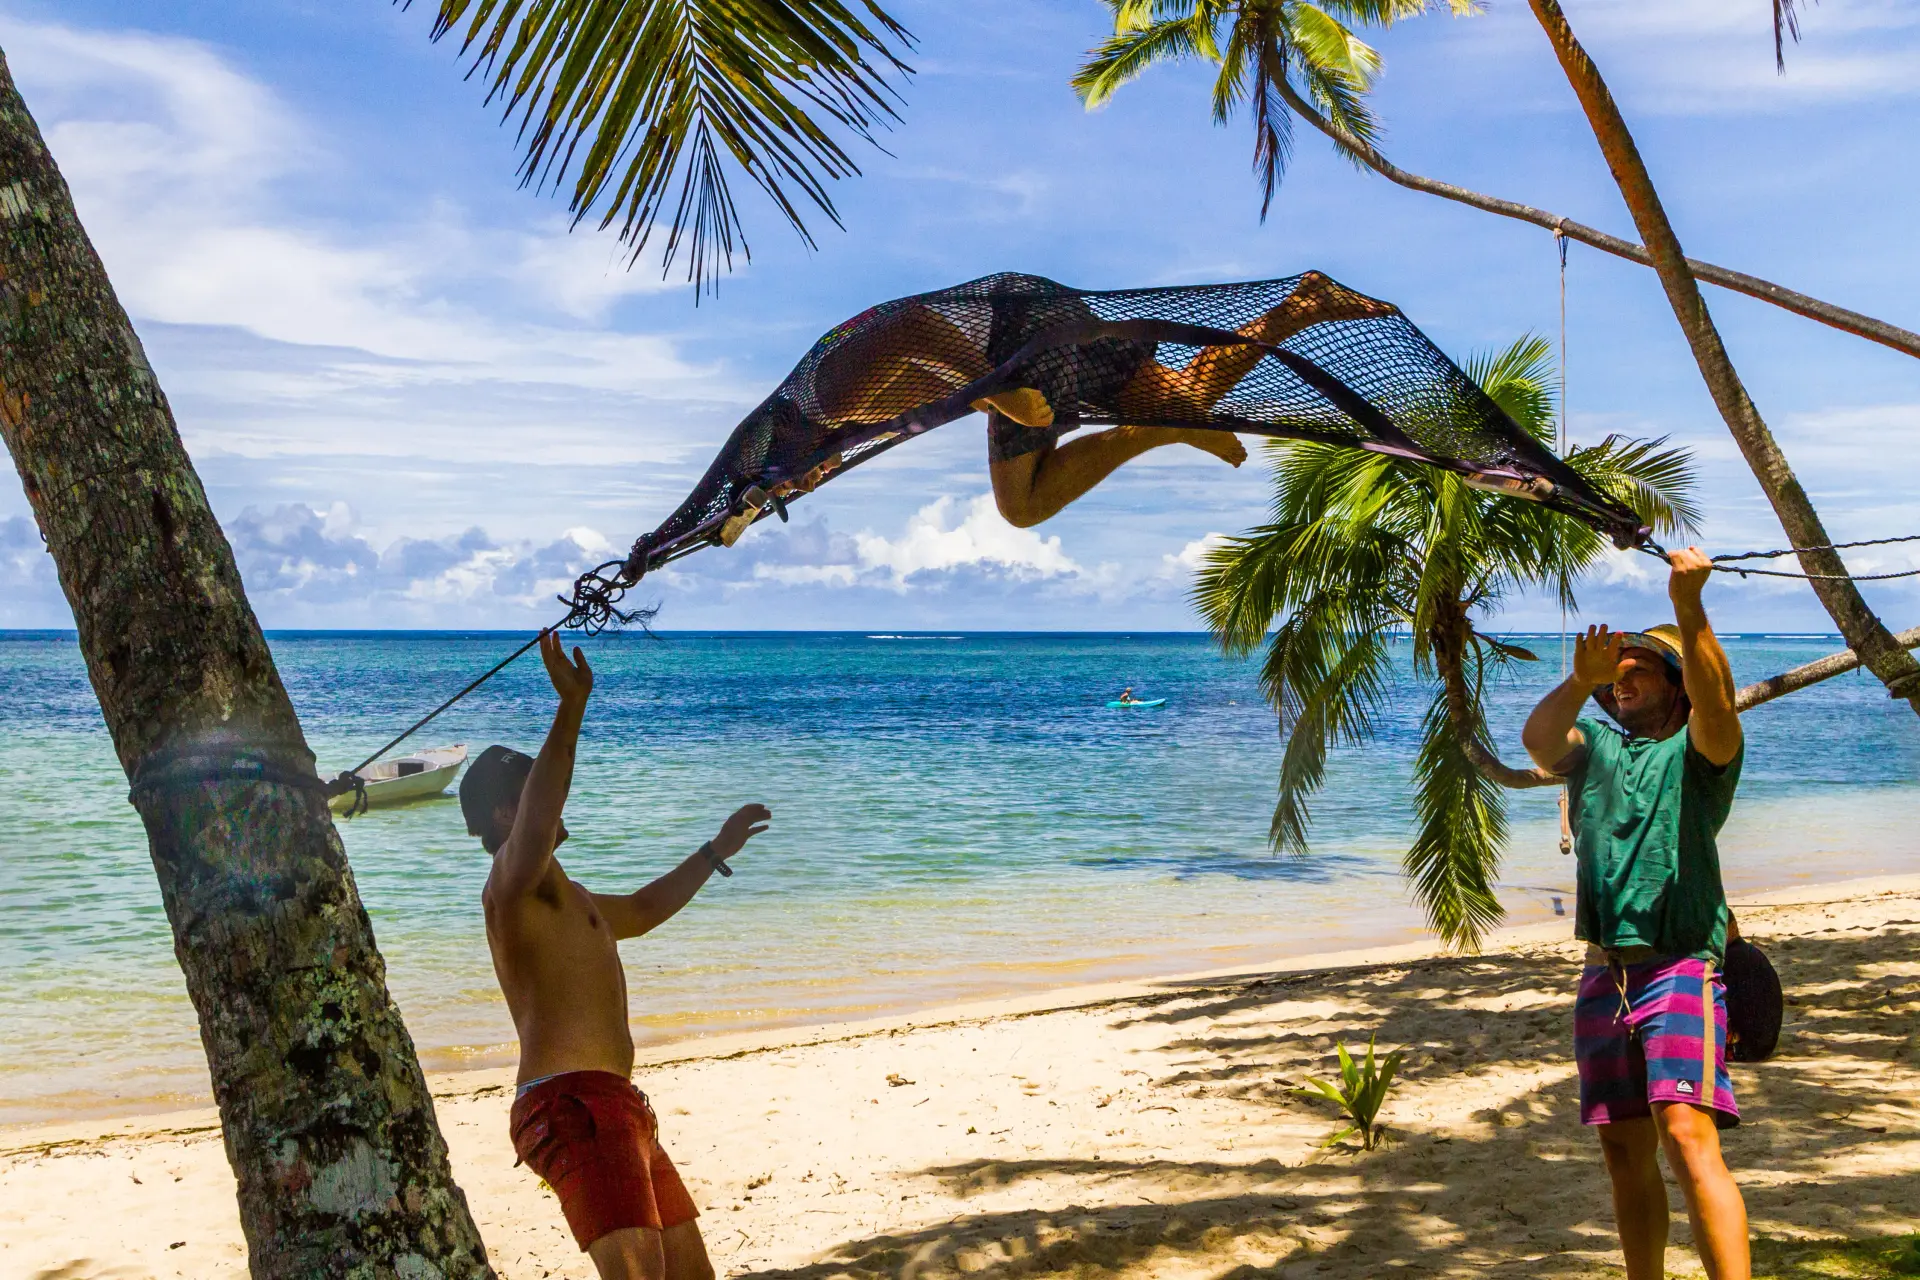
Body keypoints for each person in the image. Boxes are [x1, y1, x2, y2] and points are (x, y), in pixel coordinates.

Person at [461, 631, 771, 1280]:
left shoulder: (569, 898)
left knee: (691, 1273)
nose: (556, 794)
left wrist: (715, 851)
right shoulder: (511, 888)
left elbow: (646, 909)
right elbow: (541, 814)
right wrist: (570, 706)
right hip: (570, 1104)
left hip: (619, 1105)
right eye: (534, 787)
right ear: (502, 812)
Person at [1520, 547, 1748, 1280]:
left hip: (1680, 962)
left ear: (1675, 684)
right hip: (1602, 974)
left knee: (1685, 1135)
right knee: (1622, 1151)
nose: (1623, 674)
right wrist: (1576, 680)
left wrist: (1687, 605)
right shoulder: (1593, 751)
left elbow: (1718, 705)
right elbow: (1538, 741)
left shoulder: (1702, 750)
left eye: (1640, 665)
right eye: (1616, 670)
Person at [785, 270, 1395, 528]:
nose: (805, 486)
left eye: (793, 483)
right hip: (1047, 314)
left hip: (1015, 338)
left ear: (792, 453)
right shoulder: (845, 425)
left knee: (1021, 508)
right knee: (1185, 398)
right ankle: (1300, 306)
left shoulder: (827, 397)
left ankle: (1149, 432)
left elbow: (911, 327)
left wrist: (999, 391)